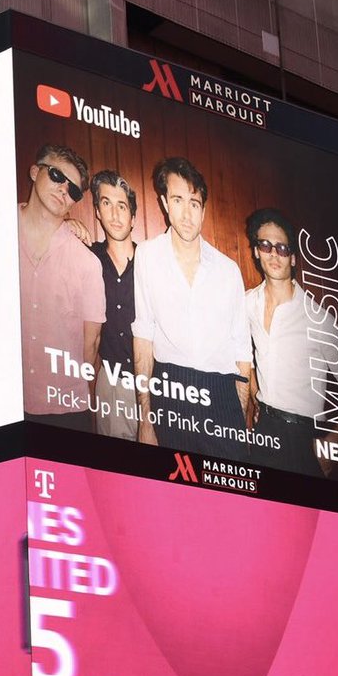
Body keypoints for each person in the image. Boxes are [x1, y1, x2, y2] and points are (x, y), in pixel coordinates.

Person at [132, 157, 253, 455]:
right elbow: (144, 337)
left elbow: (241, 350)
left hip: (222, 394)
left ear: (203, 210)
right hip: (171, 390)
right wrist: (146, 420)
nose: (187, 214)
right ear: (164, 203)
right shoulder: (147, 256)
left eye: (194, 203)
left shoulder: (228, 270)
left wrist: (238, 416)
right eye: (178, 200)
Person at [244, 207, 338, 475]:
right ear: (256, 252)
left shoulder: (318, 319)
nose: (274, 254)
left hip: (303, 440)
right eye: (265, 245)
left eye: (282, 248)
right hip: (263, 432)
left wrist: (334, 443)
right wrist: (255, 394)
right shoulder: (247, 303)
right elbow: (240, 354)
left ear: (293, 258)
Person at [18, 143, 106, 430]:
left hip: (65, 411)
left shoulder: (87, 263)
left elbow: (91, 345)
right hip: (2, 399)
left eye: (74, 190)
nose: (64, 189)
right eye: (57, 175)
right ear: (35, 172)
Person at [89, 170, 139, 439]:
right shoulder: (88, 258)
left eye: (122, 206)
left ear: (133, 217)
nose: (115, 214)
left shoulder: (151, 262)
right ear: (97, 211)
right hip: (111, 383)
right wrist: (68, 223)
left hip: (153, 384)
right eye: (106, 203)